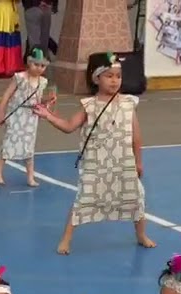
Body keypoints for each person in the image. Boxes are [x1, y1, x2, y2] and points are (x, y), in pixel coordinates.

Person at [36, 53, 154, 254]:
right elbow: (68, 126)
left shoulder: (129, 103)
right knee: (84, 198)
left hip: (123, 163)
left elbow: (136, 136)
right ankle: (66, 239)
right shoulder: (88, 105)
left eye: (118, 76)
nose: (114, 80)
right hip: (96, 163)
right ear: (96, 78)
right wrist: (48, 115)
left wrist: (138, 161)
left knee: (136, 197)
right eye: (109, 76)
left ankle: (141, 235)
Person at [0, 47, 52, 187]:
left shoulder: (42, 82)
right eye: (36, 64)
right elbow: (7, 95)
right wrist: (1, 112)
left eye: (42, 66)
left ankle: (30, 177)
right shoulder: (19, 78)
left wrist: (47, 100)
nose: (39, 68)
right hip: (17, 114)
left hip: (31, 117)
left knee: (29, 147)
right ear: (29, 63)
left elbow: (38, 100)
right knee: (8, 142)